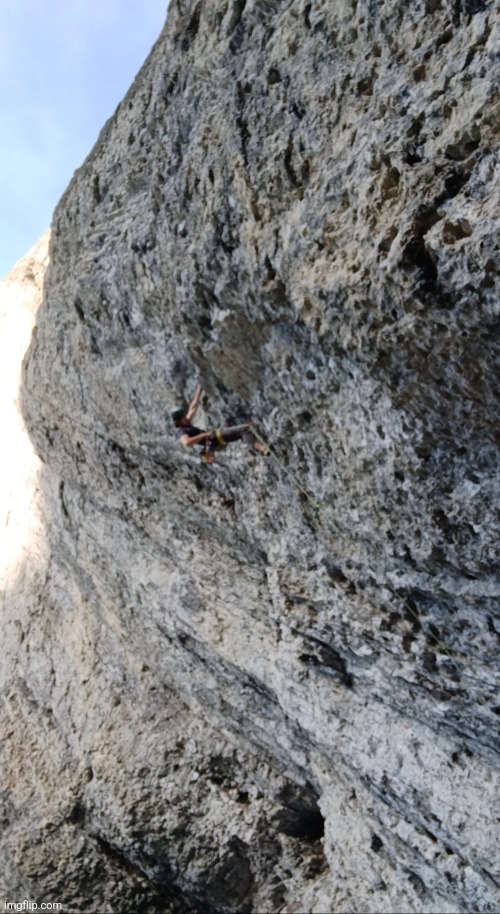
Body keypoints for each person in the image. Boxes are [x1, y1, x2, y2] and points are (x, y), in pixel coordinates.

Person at [171, 385, 269, 464]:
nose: (186, 417)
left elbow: (192, 408)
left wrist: (199, 391)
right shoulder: (182, 431)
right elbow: (187, 443)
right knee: (242, 431)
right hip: (214, 439)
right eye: (183, 417)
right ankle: (261, 448)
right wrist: (203, 435)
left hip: (213, 438)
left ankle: (253, 443)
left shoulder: (186, 424)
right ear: (179, 421)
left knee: (229, 421)